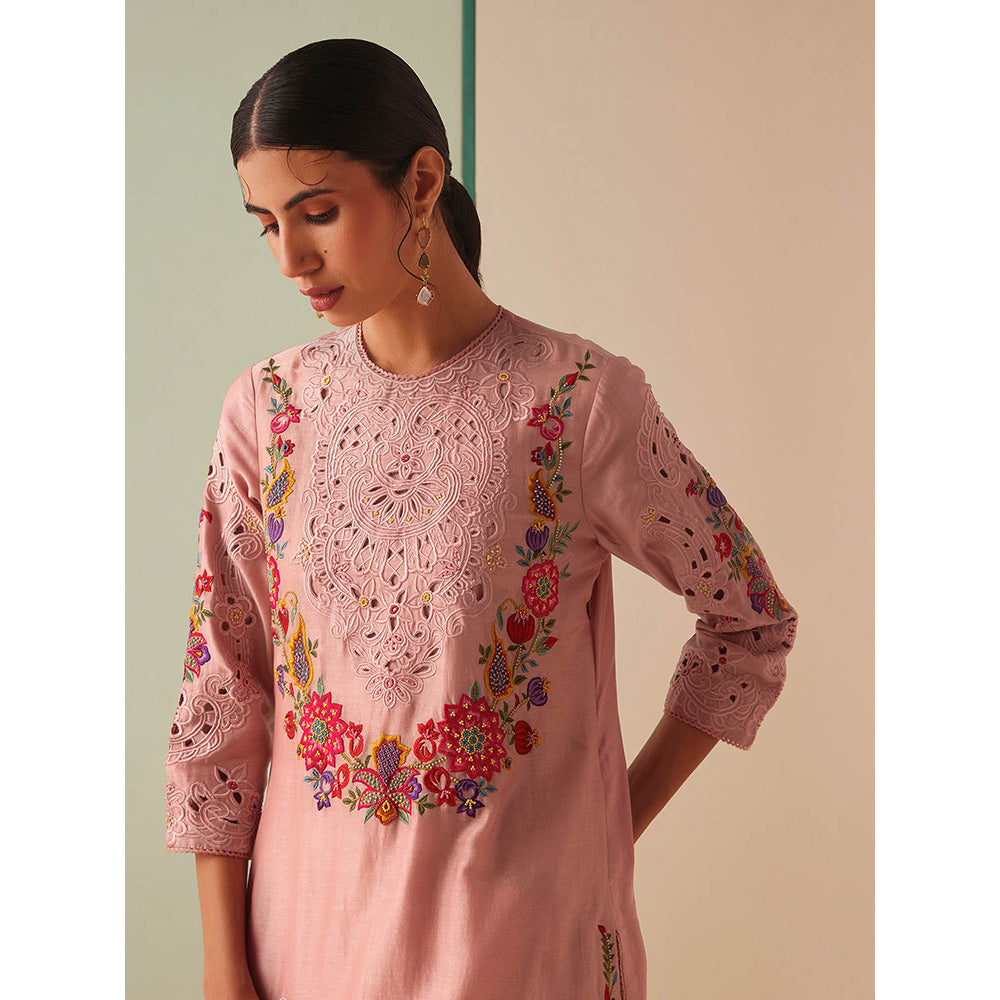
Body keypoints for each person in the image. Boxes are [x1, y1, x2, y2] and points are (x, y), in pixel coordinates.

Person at [163, 37, 799, 1000]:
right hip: (300, 945)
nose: (292, 258)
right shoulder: (269, 411)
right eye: (267, 225)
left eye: (319, 212)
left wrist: (610, 828)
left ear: (421, 182)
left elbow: (749, 621)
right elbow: (222, 687)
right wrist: (222, 965)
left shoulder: (576, 402)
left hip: (515, 950)